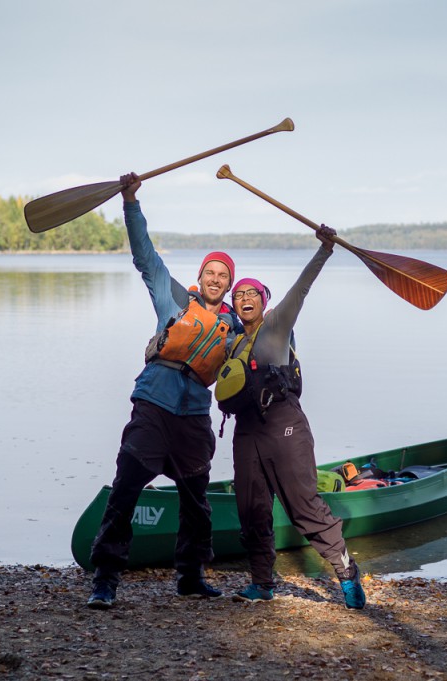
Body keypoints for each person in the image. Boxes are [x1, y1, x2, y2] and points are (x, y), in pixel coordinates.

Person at [86, 172, 240, 609]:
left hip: (193, 416)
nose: (215, 279)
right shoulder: (173, 300)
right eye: (209, 272)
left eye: (222, 275)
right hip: (154, 403)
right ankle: (105, 578)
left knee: (197, 501)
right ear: (200, 276)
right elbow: (145, 254)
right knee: (126, 488)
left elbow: (270, 340)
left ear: (228, 283)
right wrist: (131, 202)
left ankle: (190, 576)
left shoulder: (233, 328)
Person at [217, 225, 366, 609]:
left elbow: (301, 288)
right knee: (251, 509)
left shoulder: (276, 325)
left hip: (284, 425)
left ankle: (347, 574)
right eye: (239, 295)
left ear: (263, 301)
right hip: (247, 431)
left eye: (252, 293)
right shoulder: (231, 341)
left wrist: (324, 252)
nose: (244, 297)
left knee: (303, 505)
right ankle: (262, 582)